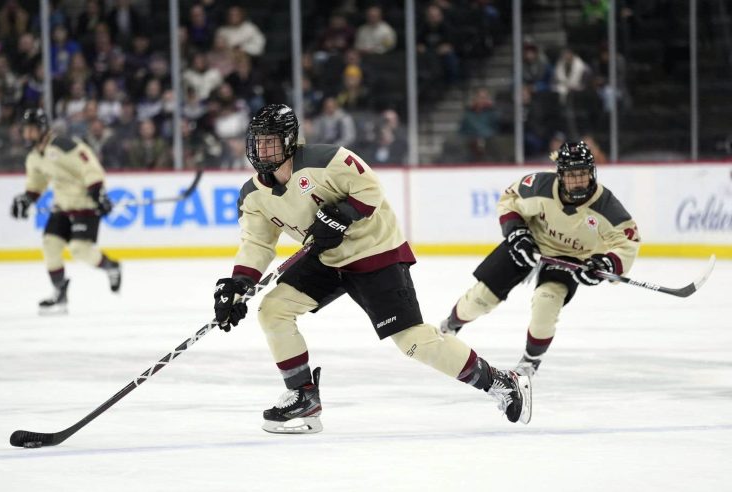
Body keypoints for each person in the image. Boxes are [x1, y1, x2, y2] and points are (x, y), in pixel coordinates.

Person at [212, 104, 532, 434]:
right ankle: (303, 395)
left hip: (374, 252)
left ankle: (500, 382)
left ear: (290, 140)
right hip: (326, 258)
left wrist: (340, 215)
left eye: (271, 142)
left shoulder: (327, 160)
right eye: (258, 142)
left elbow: (370, 189)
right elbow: (257, 244)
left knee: (413, 341)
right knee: (272, 310)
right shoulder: (252, 195)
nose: (262, 150)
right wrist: (239, 283)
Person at [439, 141, 640, 376]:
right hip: (531, 242)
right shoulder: (539, 185)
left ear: (592, 173)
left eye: (583, 174)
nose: (578, 181)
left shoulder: (606, 205)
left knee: (547, 301)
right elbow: (509, 202)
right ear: (560, 175)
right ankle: (450, 325)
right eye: (572, 175)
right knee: (480, 299)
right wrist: (516, 232)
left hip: (570, 257)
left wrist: (606, 263)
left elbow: (627, 241)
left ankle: (529, 363)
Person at [10, 108, 121, 314]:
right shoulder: (34, 157)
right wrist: (27, 199)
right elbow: (37, 183)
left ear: (42, 128)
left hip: (85, 206)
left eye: (30, 130)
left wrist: (98, 191)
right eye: (25, 130)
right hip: (62, 207)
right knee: (50, 244)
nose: (26, 134)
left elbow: (89, 165)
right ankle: (59, 292)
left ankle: (111, 267)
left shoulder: (63, 146)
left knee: (80, 250)